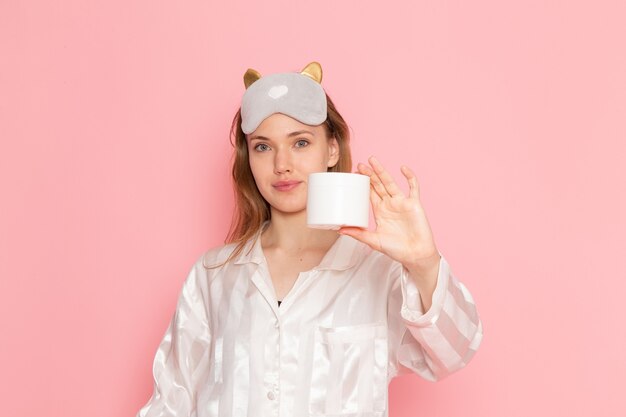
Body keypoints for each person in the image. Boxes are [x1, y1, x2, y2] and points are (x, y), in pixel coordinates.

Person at [136, 62, 483, 417]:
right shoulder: (212, 275)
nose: (282, 164)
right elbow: (170, 402)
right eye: (262, 147)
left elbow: (454, 353)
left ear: (332, 149)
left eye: (300, 142)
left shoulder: (379, 272)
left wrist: (424, 264)